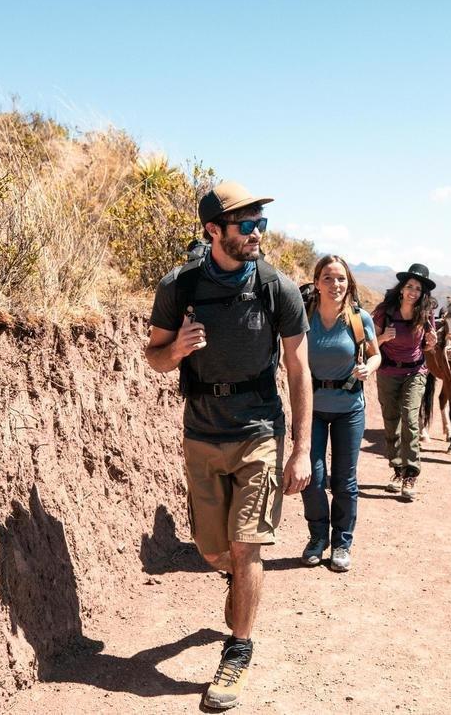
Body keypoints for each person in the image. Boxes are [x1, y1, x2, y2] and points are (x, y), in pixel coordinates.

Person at [144, 181, 311, 710]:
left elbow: (298, 368)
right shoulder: (180, 286)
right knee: (213, 551)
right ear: (214, 230)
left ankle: (238, 649)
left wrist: (301, 449)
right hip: (202, 432)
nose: (258, 232)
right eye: (247, 225)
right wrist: (178, 348)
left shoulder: (276, 287)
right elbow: (153, 357)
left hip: (259, 431)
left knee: (247, 547)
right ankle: (237, 584)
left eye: (261, 222)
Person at [301, 255, 380, 571]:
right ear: (317, 282)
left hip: (349, 410)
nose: (335, 285)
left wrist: (368, 368)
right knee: (313, 479)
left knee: (345, 481)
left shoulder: (359, 319)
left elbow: (377, 356)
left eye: (341, 279)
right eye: (328, 278)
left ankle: (342, 544)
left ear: (349, 283)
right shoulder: (305, 317)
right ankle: (318, 538)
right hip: (313, 410)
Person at [371, 264, 437, 500]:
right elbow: (368, 345)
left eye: (418, 289)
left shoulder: (426, 314)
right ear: (401, 288)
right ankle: (397, 469)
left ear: (422, 293)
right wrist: (382, 337)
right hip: (388, 370)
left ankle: (411, 473)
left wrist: (432, 342)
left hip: (415, 371)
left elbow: (428, 345)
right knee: (391, 420)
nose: (413, 291)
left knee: (410, 419)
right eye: (409, 286)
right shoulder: (384, 311)